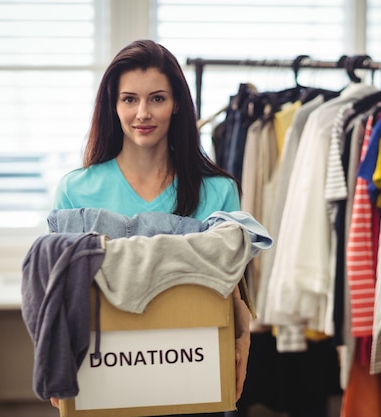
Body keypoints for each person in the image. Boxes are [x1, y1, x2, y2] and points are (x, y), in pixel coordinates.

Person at [48, 39, 250, 417]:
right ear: (113, 105)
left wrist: (242, 341)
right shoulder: (75, 190)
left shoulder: (218, 190)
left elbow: (232, 288)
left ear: (177, 106)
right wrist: (52, 357)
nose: (143, 112)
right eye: (129, 99)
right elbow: (59, 291)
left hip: (192, 376)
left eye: (157, 98)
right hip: (105, 380)